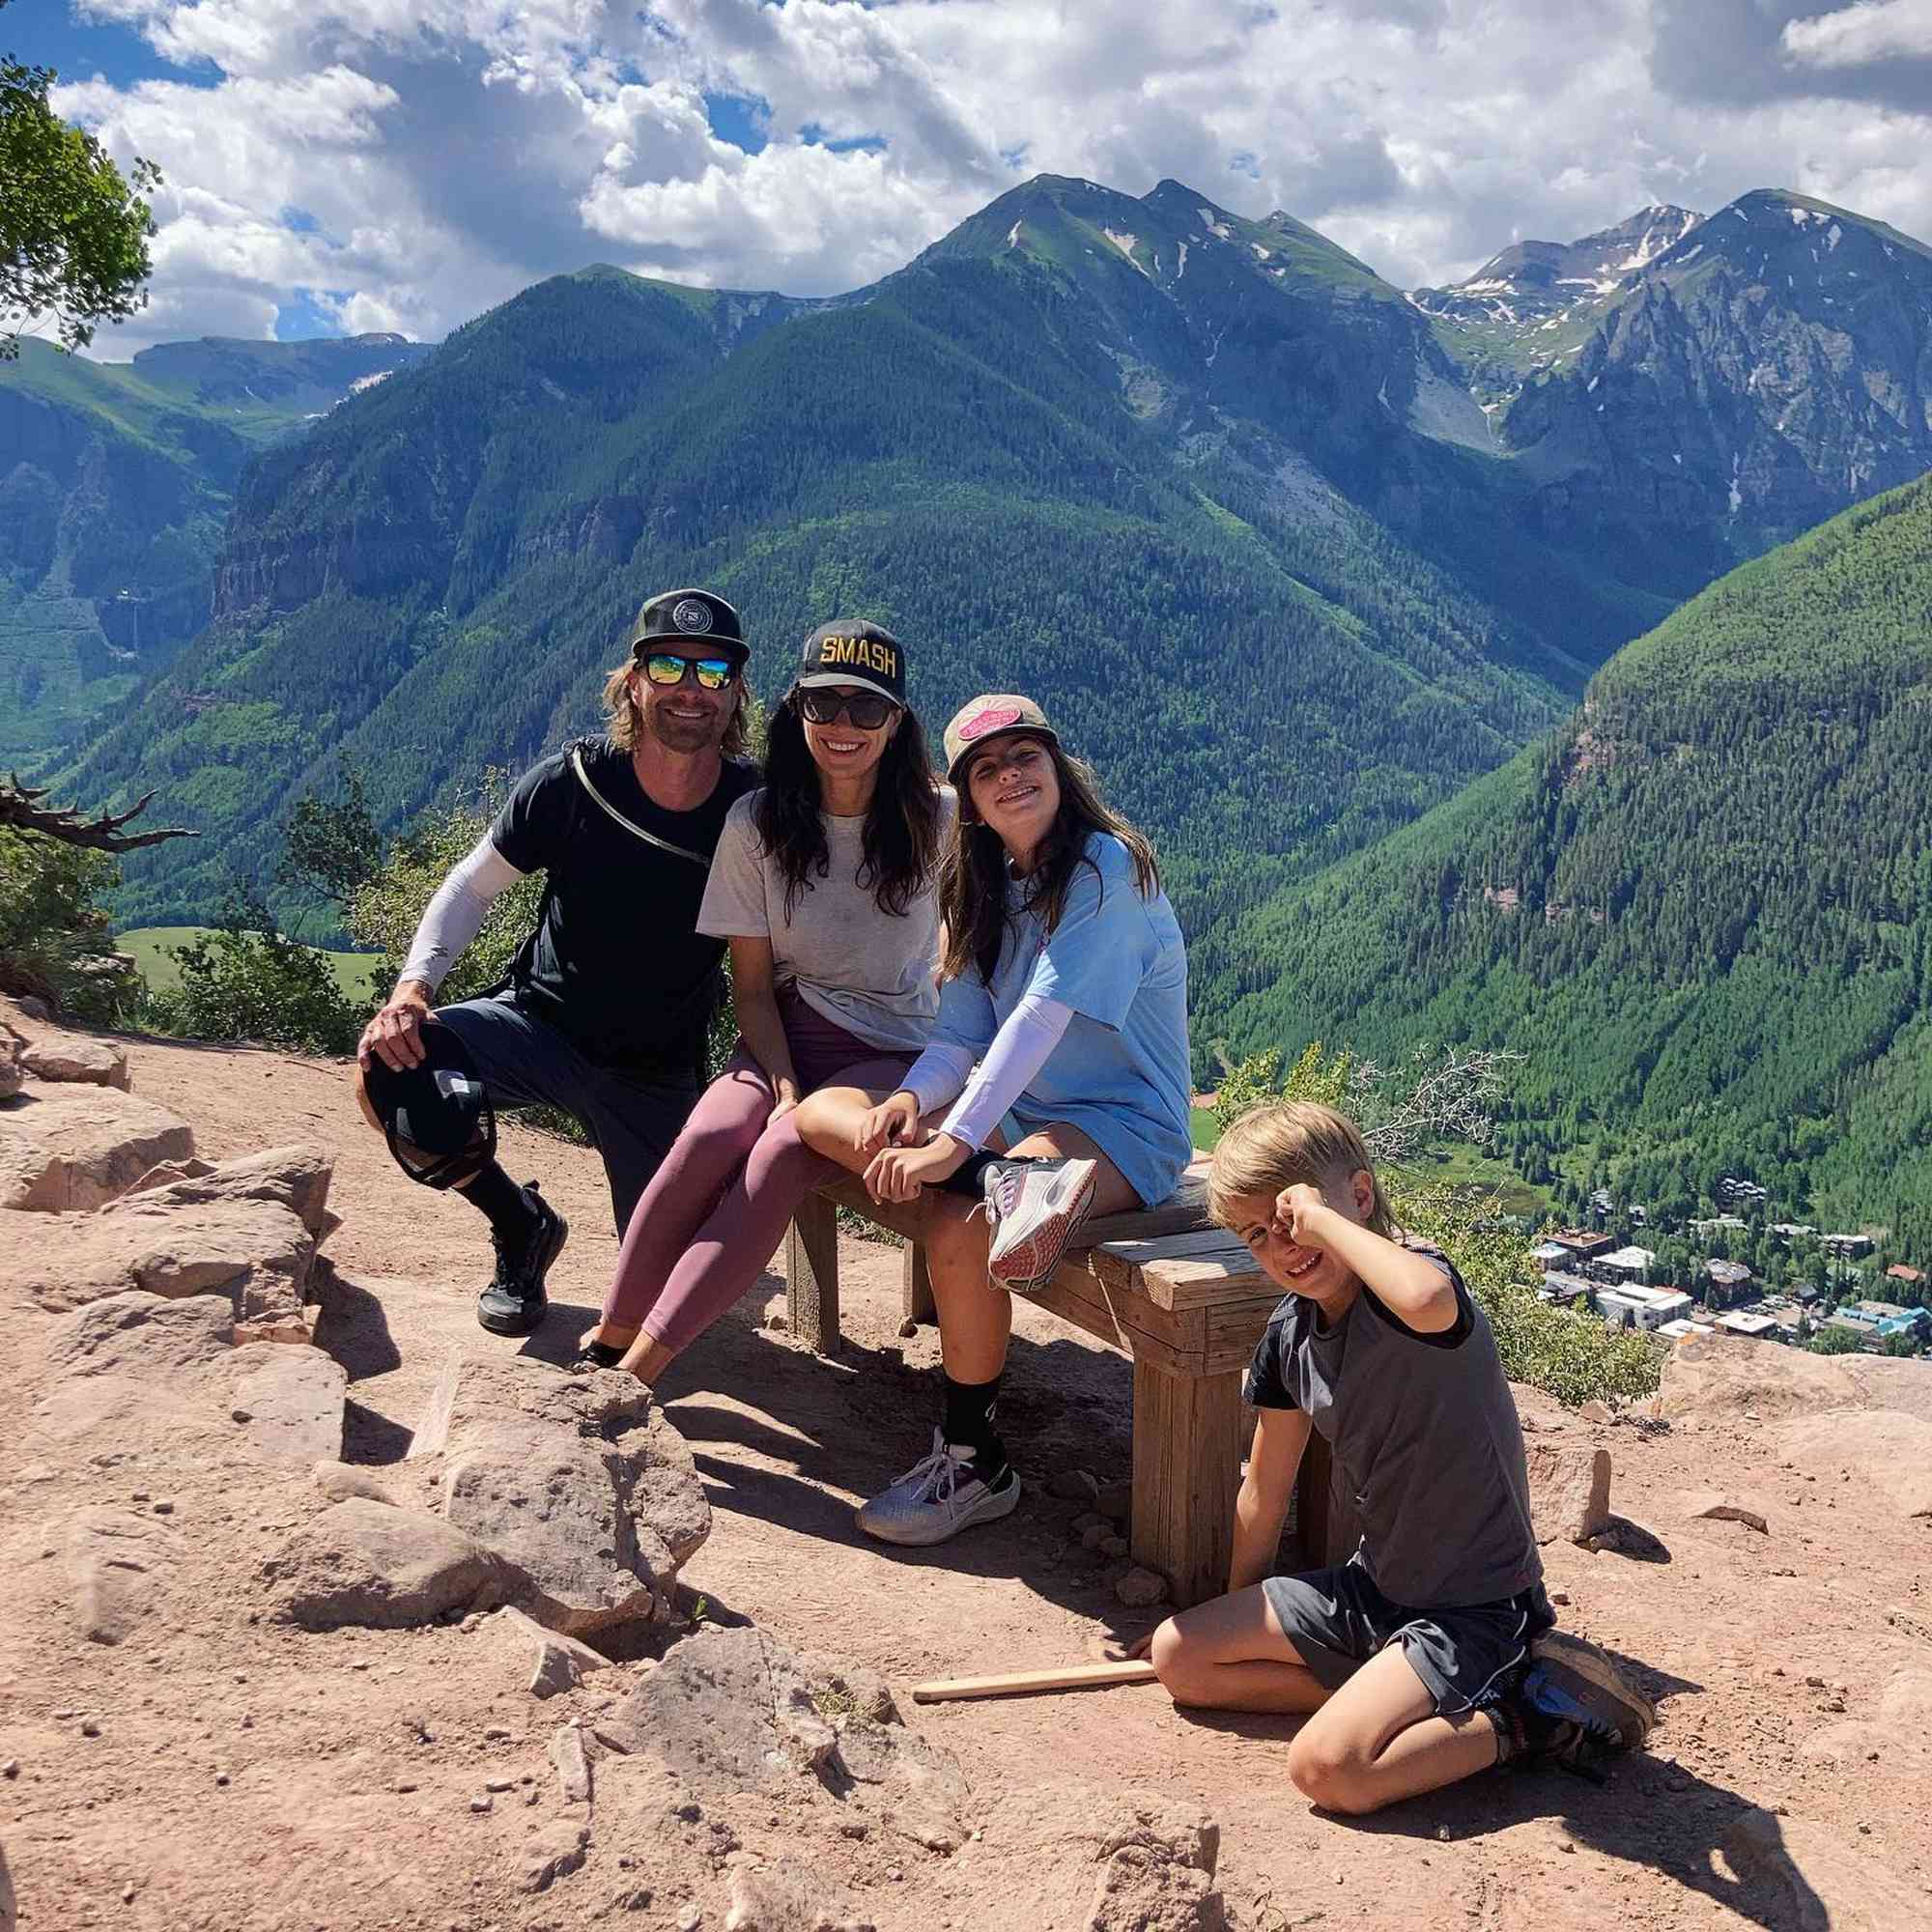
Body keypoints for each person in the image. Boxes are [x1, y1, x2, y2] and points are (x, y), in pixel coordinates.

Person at [1142, 1101, 1647, 1811]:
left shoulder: (1415, 1291)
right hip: (1376, 1590)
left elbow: (1426, 1295)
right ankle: (1390, 1695)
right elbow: (1265, 1489)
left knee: (1329, 1770)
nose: (1286, 1247)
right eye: (1260, 1236)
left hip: (1476, 1606)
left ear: (1359, 1197)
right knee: (1180, 1658)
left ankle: (1523, 1721)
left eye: (1293, 1220)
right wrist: (1232, 1611)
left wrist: (1324, 1223)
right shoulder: (1290, 1338)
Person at [794, 693, 1193, 1548]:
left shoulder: (1104, 871)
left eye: (1026, 757)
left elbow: (1037, 1019)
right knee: (825, 1117)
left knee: (963, 1213)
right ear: (967, 796)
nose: (1010, 776)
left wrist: (951, 1143)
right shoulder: (986, 888)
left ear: (1058, 770)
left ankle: (975, 1459)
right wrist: (908, 1106)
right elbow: (962, 1037)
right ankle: (1015, 1202)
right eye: (987, 768)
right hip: (1024, 1118)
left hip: (1126, 1126)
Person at [355, 588, 760, 1338]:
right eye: (669, 665)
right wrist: (413, 990)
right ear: (633, 681)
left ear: (736, 693)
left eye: (712, 673)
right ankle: (519, 1226)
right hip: (536, 1027)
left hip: (655, 1070)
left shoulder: (754, 810)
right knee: (391, 1067)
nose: (689, 690)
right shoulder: (571, 786)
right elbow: (469, 888)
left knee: (671, 1293)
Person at [575, 620, 950, 1381]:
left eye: (866, 709)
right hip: (784, 1038)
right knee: (707, 1140)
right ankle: (609, 1338)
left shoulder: (940, 822)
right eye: (824, 705)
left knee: (778, 1155)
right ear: (796, 712)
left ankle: (636, 1375)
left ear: (897, 723)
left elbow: (987, 940)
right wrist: (782, 1086)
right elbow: (749, 988)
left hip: (891, 1056)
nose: (843, 725)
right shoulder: (758, 823)